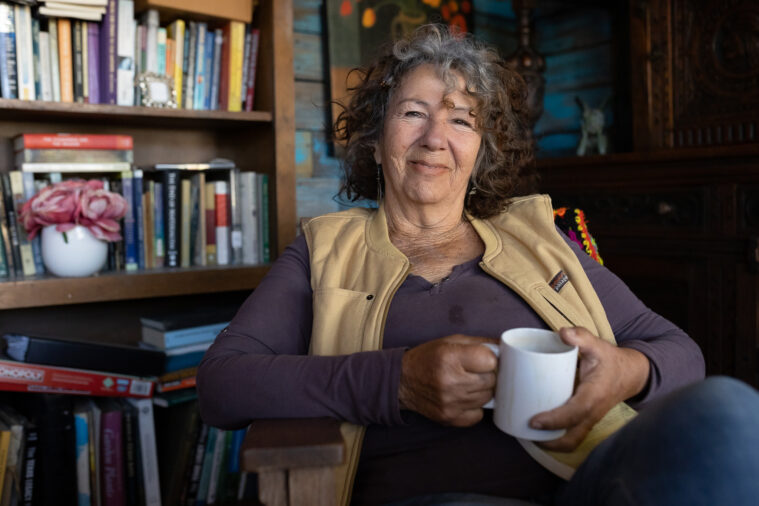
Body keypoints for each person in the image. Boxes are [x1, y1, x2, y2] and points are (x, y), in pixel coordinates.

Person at [197, 25, 759, 506]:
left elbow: (681, 352)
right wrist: (398, 381)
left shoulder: (539, 235)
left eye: (462, 121)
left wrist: (626, 371)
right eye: (413, 113)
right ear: (374, 141)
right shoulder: (323, 248)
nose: (436, 137)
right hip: (432, 492)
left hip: (593, 477)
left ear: (481, 150)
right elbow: (223, 383)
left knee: (730, 410)